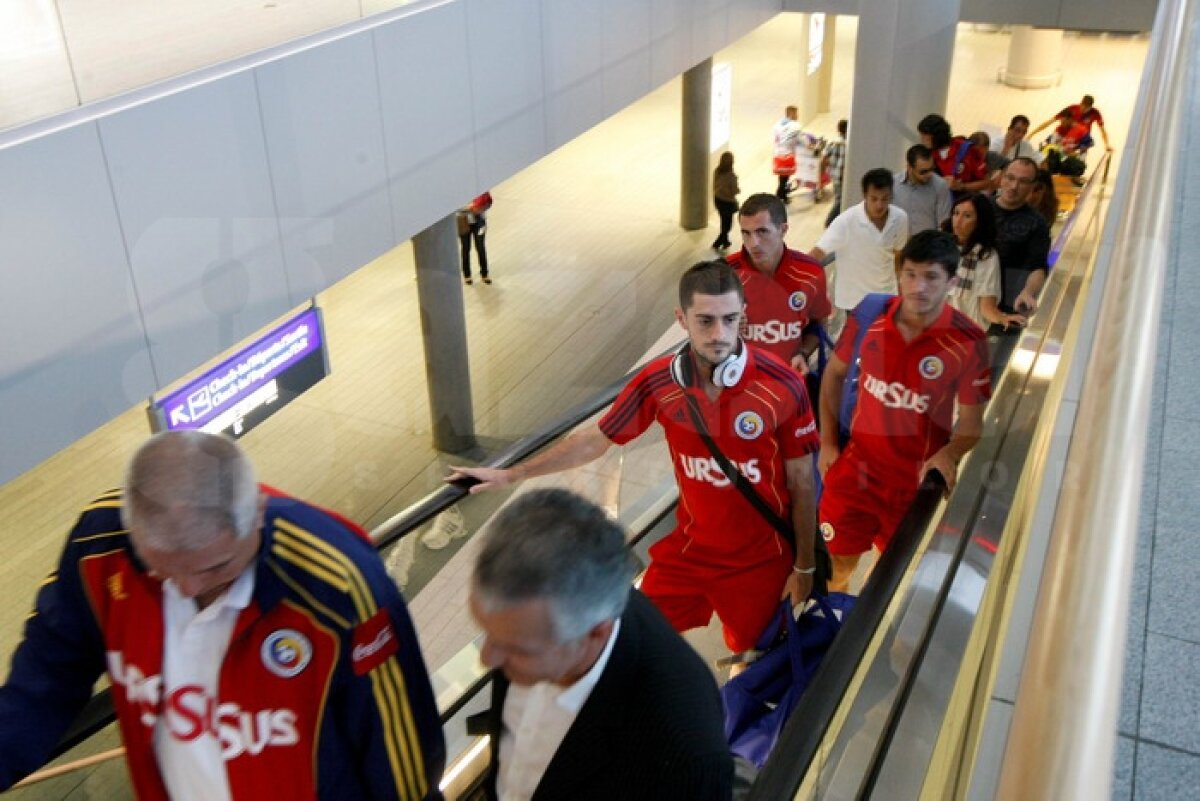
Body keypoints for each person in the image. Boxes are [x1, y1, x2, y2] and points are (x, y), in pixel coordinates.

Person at [0, 431, 445, 799]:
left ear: (257, 515)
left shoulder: (337, 582)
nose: (190, 589)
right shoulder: (100, 548)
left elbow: (401, 755)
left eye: (216, 567)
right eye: (163, 570)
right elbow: (44, 679)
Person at [449, 260, 821, 655]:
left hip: (761, 561)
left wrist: (805, 565)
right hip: (689, 552)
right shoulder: (658, 382)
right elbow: (595, 439)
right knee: (624, 640)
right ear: (681, 319)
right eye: (705, 321)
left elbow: (802, 484)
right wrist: (511, 474)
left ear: (744, 314)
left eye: (730, 319)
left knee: (755, 661)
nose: (720, 335)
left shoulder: (782, 385)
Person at [466, 489, 733, 801]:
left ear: (595, 633)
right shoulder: (540, 611)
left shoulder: (685, 756)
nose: (487, 659)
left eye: (518, 649)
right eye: (486, 632)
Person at [816, 231, 991, 591]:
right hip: (855, 473)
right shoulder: (870, 315)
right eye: (910, 274)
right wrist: (828, 443)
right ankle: (826, 632)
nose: (918, 286)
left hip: (911, 488)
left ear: (951, 282)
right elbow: (833, 376)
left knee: (888, 583)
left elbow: (972, 424)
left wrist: (951, 451)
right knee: (833, 567)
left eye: (931, 277)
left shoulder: (968, 341)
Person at [727, 193, 831, 373]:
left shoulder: (811, 272)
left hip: (788, 384)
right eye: (746, 233)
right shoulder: (724, 273)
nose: (753, 243)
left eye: (762, 232)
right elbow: (700, 331)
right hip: (738, 384)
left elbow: (819, 324)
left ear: (783, 230)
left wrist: (803, 353)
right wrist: (726, 323)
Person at [811, 168, 909, 315]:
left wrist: (901, 289)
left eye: (885, 199)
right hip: (855, 301)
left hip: (888, 296)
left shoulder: (900, 218)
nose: (879, 205)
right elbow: (817, 253)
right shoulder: (845, 222)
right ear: (864, 195)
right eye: (874, 199)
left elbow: (898, 254)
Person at [990, 157, 1051, 366]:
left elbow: (1038, 266)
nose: (1014, 186)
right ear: (1001, 178)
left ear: (1033, 187)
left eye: (1023, 182)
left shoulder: (1037, 223)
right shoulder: (978, 209)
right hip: (971, 302)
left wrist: (1028, 291)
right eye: (1010, 178)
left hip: (1008, 308)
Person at [943, 193, 1026, 332]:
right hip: (937, 329)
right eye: (956, 213)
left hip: (967, 334)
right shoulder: (940, 245)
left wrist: (1003, 318)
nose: (958, 221)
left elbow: (987, 307)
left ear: (979, 222)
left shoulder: (986, 256)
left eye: (967, 216)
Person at [892, 144, 952, 234]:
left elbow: (944, 224)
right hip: (897, 243)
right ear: (909, 168)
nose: (929, 174)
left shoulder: (940, 186)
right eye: (923, 172)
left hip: (927, 245)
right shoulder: (893, 184)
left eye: (931, 169)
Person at [1030, 94, 1112, 152]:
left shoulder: (1095, 113)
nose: (1083, 110)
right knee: (1053, 148)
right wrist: (1032, 133)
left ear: (1090, 107)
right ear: (1080, 103)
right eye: (1082, 107)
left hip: (1081, 137)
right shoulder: (1072, 108)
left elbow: (1102, 130)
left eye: (1086, 108)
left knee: (1080, 154)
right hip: (1066, 136)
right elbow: (1050, 122)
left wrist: (1107, 144)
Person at [772, 105, 805, 203]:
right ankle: (780, 195)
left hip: (778, 155)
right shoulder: (795, 126)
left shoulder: (777, 124)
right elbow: (801, 140)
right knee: (785, 177)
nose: (797, 115)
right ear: (791, 114)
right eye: (796, 113)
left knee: (782, 177)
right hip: (787, 156)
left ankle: (782, 194)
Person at [457, 191, 492, 285]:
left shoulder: (479, 187)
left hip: (480, 222)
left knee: (481, 247)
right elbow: (455, 208)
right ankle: (467, 275)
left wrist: (482, 207)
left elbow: (488, 202)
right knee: (466, 248)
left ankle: (484, 273)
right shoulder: (458, 190)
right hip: (463, 222)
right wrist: (471, 208)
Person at [822, 119, 849, 227]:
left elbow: (824, 158)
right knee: (840, 200)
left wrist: (823, 172)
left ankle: (834, 222)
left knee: (839, 198)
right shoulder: (848, 144)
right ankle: (829, 222)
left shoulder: (833, 142)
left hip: (834, 176)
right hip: (844, 178)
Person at [712, 151, 740, 251]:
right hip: (727, 203)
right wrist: (738, 190)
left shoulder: (717, 171)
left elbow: (715, 184)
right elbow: (734, 191)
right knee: (728, 226)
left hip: (718, 199)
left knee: (723, 221)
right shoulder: (732, 176)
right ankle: (718, 242)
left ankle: (726, 242)